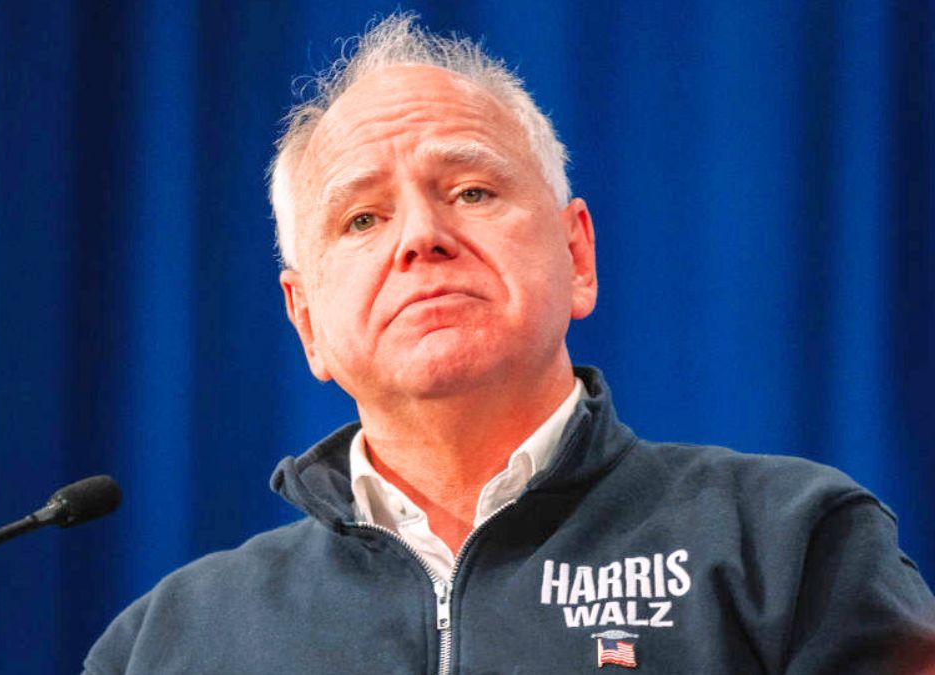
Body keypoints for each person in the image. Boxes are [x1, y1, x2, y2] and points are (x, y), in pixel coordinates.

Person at [84, 14, 935, 674]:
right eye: (363, 218)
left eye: (472, 190)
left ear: (577, 256)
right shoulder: (171, 640)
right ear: (307, 321)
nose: (420, 236)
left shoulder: (789, 546)